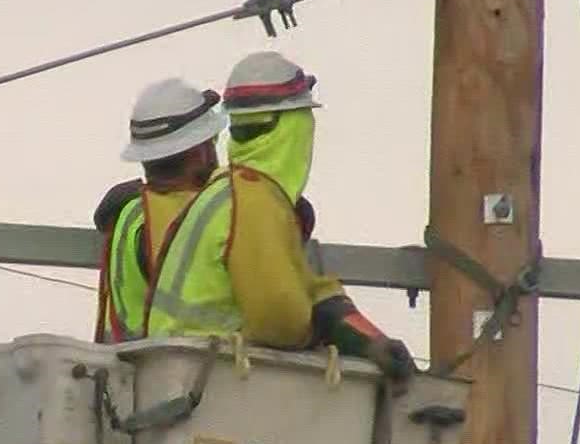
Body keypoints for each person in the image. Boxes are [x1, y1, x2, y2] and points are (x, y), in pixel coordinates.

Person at [146, 51, 414, 380]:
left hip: (179, 379)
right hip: (210, 388)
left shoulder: (227, 190)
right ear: (292, 126)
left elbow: (305, 287)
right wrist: (323, 336)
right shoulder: (254, 199)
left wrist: (367, 338)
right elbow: (280, 320)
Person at [92, 78, 228, 343]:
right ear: (199, 153)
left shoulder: (129, 213)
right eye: (211, 141)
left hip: (133, 371)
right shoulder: (202, 218)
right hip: (199, 375)